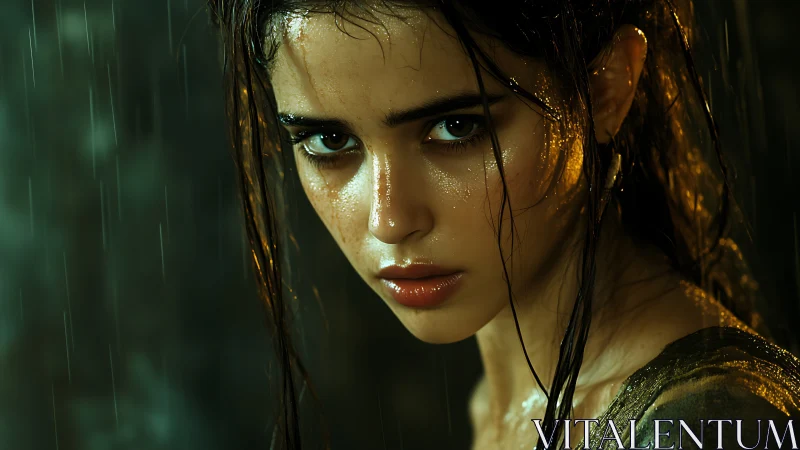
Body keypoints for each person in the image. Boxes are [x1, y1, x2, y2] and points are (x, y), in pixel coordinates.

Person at [207, 0, 800, 448]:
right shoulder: (501, 401)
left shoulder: (709, 425)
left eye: (456, 129)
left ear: (606, 89)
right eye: (329, 140)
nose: (389, 220)